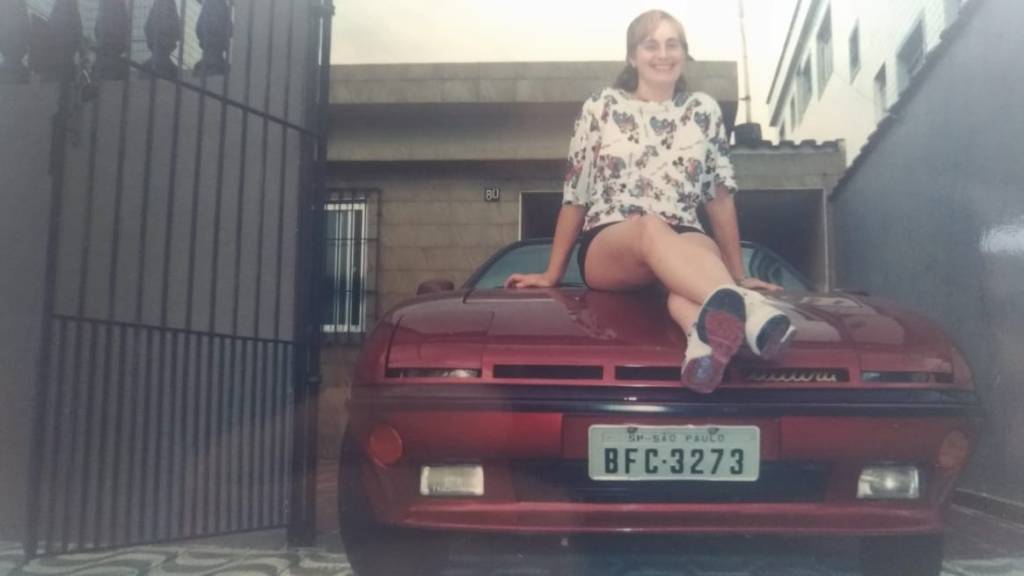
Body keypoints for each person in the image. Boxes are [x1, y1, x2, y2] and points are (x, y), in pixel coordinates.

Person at [504, 9, 795, 393]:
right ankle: (753, 315)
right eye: (650, 45)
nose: (663, 54)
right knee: (650, 227)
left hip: (685, 232)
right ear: (632, 56)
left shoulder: (703, 111)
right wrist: (551, 273)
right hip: (612, 239)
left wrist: (738, 272)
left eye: (672, 44)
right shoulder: (602, 107)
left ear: (684, 53)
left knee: (690, 273)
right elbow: (576, 194)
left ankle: (703, 346)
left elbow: (719, 197)